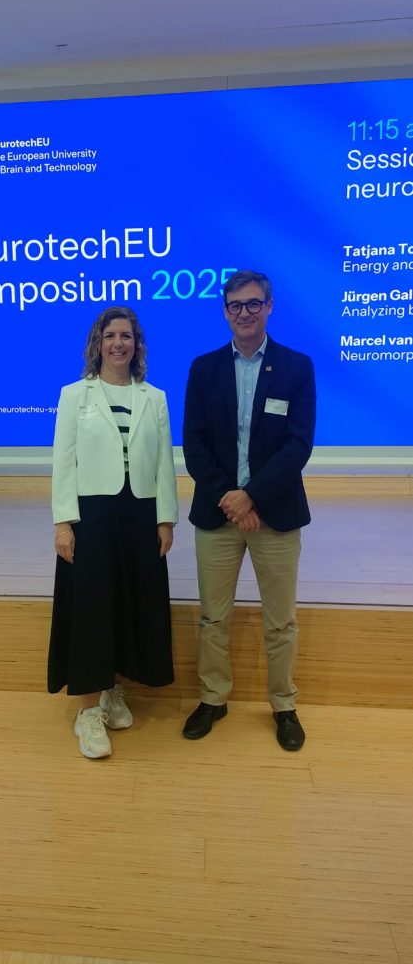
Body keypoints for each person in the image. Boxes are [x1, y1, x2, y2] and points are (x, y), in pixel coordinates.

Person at [182, 270, 316, 751]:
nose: (245, 312)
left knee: (280, 621)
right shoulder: (203, 369)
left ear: (269, 306)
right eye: (236, 305)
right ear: (225, 311)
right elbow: (195, 445)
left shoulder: (297, 367)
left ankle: (283, 705)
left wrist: (252, 495)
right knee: (213, 618)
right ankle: (213, 698)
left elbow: (298, 445)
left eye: (253, 303)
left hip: (275, 514)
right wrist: (232, 498)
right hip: (218, 514)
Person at [48, 306, 178, 759]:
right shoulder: (74, 395)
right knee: (91, 609)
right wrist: (63, 522)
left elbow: (163, 463)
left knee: (128, 604)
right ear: (97, 343)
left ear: (136, 344)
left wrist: (165, 519)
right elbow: (63, 461)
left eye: (126, 335)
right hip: (92, 515)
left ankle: (112, 690)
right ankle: (87, 713)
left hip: (140, 513)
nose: (118, 343)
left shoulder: (154, 398)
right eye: (110, 336)